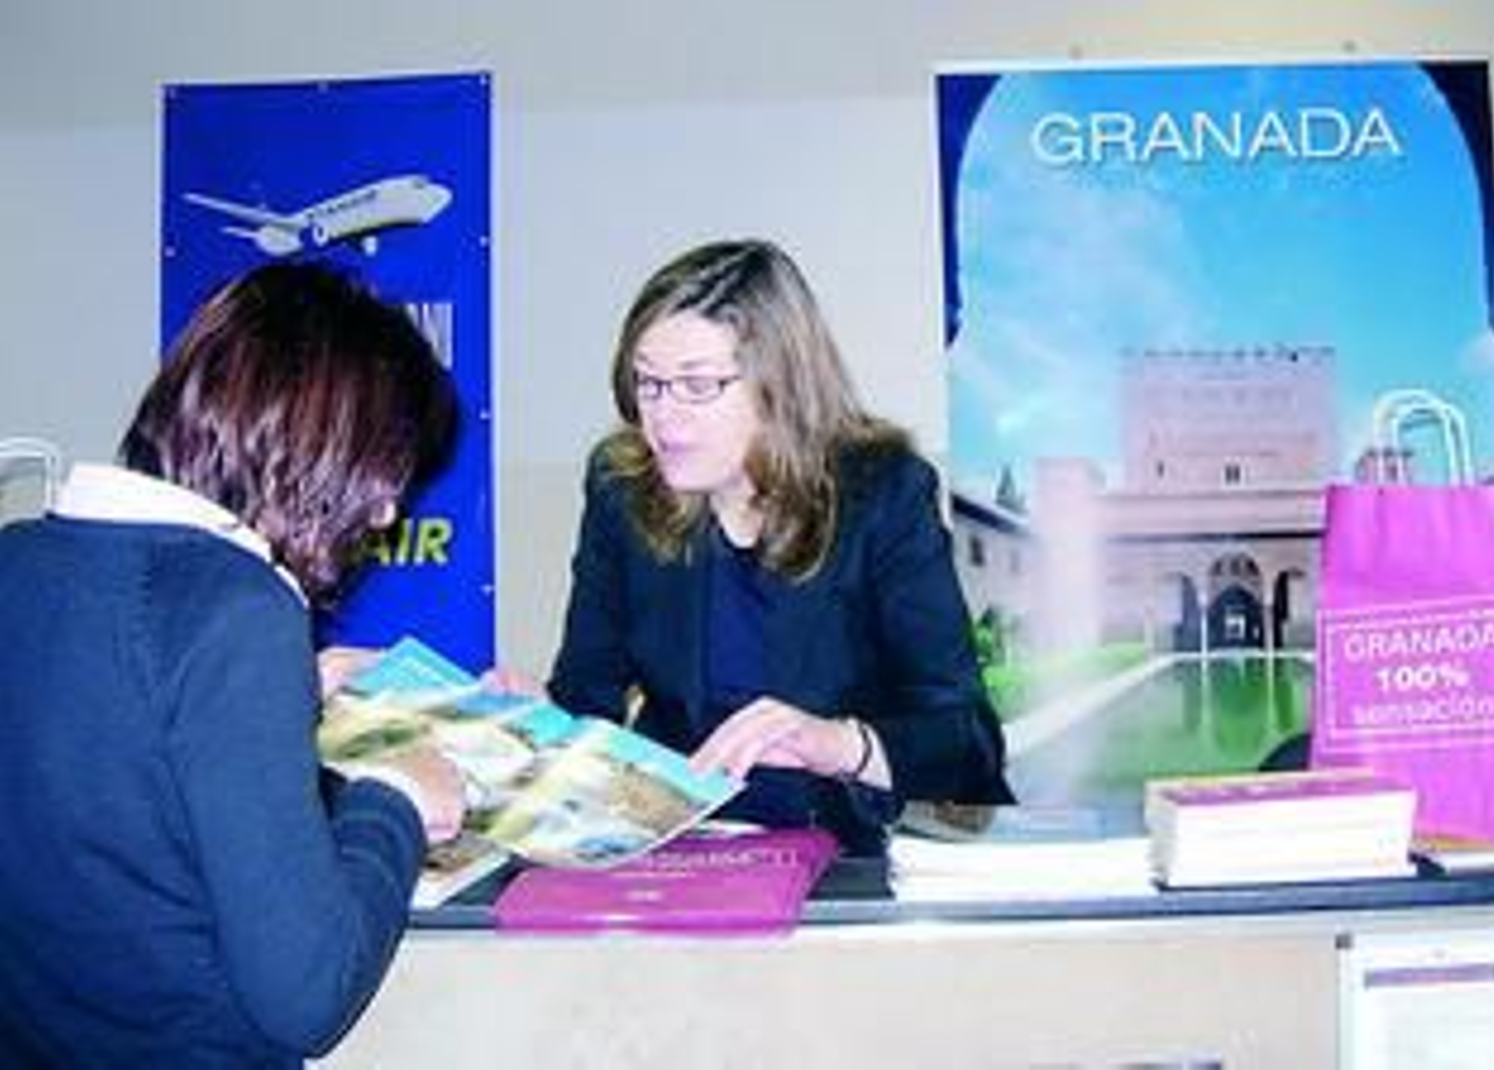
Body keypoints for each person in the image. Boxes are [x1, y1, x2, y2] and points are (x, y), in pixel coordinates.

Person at [0, 262, 466, 1066]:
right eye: (382, 470)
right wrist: (396, 799)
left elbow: (111, 767)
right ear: (314, 444)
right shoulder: (240, 608)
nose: (388, 512)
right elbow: (307, 992)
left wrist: (294, 697)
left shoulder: (20, 563)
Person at [548, 238, 1013, 856]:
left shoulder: (883, 493)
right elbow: (587, 698)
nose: (663, 418)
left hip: (835, 856)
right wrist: (535, 730)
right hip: (672, 852)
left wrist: (837, 744)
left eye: (697, 385)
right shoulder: (622, 487)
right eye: (648, 383)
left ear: (780, 386)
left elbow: (968, 746)